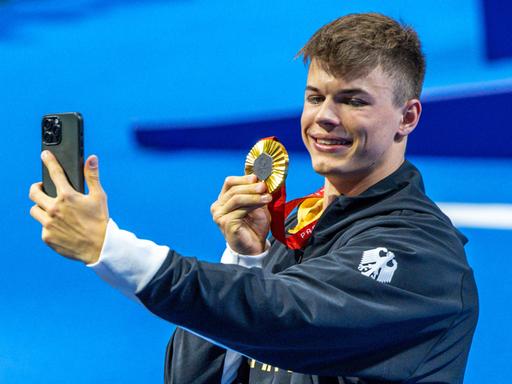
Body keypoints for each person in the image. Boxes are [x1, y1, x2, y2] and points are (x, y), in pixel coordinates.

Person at [29, 12, 478, 384]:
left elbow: (281, 317)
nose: (324, 117)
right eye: (315, 96)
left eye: (353, 101)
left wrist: (106, 245)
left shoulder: (422, 255)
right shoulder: (290, 229)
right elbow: (191, 375)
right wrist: (245, 258)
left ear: (408, 117)